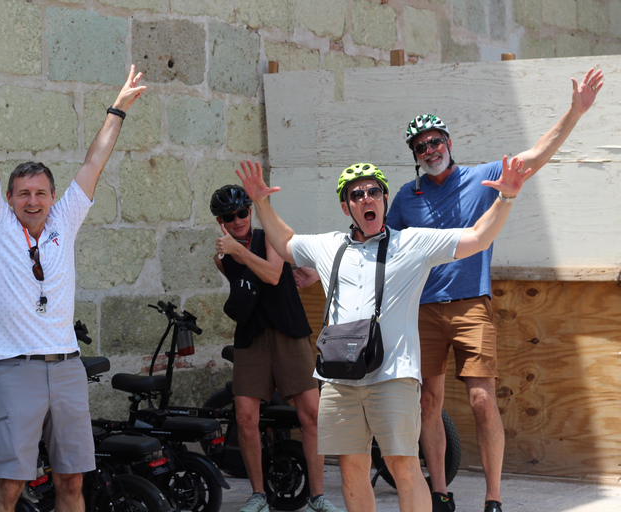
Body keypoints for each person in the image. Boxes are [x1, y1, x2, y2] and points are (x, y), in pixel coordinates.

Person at [234, 156, 531, 512]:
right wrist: (260, 202)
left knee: (403, 466)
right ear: (346, 206)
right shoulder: (330, 245)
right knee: (351, 469)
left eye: (374, 191)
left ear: (385, 198)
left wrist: (507, 197)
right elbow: (286, 243)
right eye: (356, 194)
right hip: (339, 378)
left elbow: (478, 238)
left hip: (393, 377)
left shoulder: (412, 243)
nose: (366, 199)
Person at [387, 68, 603, 512]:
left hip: (471, 307)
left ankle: (493, 498)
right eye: (420, 146)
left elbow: (538, 154)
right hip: (423, 309)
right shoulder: (405, 198)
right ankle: (440, 493)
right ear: (415, 155)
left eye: (435, 141)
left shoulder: (483, 177)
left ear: (448, 141)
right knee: (428, 401)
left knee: (483, 400)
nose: (430, 150)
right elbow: (381, 251)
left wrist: (575, 111)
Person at [0, 45, 146, 512]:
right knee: (11, 486)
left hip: (68, 367)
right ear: (10, 198)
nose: (32, 201)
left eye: (40, 193)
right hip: (18, 367)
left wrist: (119, 107)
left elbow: (95, 160)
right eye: (23, 194)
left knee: (73, 482)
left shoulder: (64, 219)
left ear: (53, 197)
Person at [211, 185, 343, 512]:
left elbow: (271, 275)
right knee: (244, 416)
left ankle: (318, 497)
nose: (238, 219)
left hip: (289, 330)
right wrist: (233, 254)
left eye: (243, 212)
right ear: (221, 221)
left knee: (311, 413)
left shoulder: (266, 236)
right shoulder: (221, 256)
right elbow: (245, 286)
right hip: (252, 336)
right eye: (230, 216)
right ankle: (258, 495)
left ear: (251, 212)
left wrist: (243, 253)